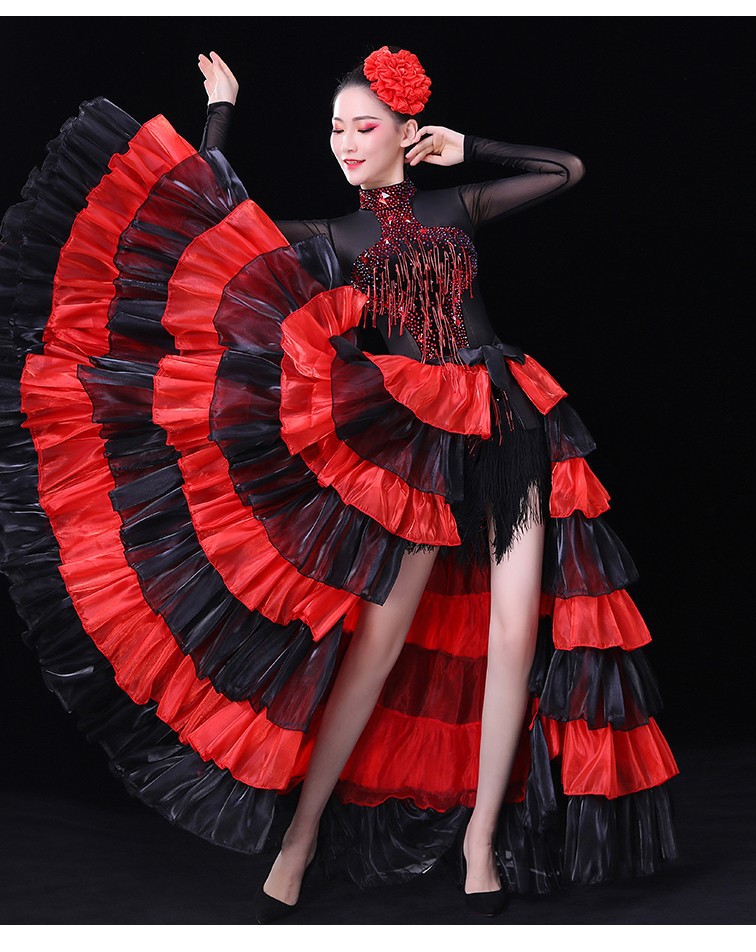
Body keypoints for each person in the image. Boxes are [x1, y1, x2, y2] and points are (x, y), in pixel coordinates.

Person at [0, 45, 680, 924]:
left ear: (405, 131)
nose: (347, 144)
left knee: (516, 640)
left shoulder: (456, 205)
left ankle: (480, 846)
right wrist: (220, 111)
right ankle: (301, 836)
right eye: (336, 130)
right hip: (415, 447)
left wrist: (467, 146)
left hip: (511, 426)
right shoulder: (332, 236)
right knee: (374, 653)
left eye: (364, 127)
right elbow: (211, 225)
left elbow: (566, 170)